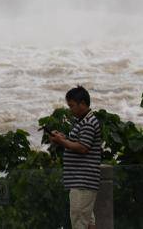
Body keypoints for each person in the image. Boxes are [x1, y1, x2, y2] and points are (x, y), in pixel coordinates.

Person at [49, 85, 103, 229]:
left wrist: (62, 141)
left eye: (72, 106)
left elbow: (83, 147)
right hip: (82, 180)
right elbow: (78, 142)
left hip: (83, 181)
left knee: (79, 221)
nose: (70, 110)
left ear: (83, 104)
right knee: (88, 222)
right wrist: (63, 138)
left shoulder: (88, 123)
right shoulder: (83, 121)